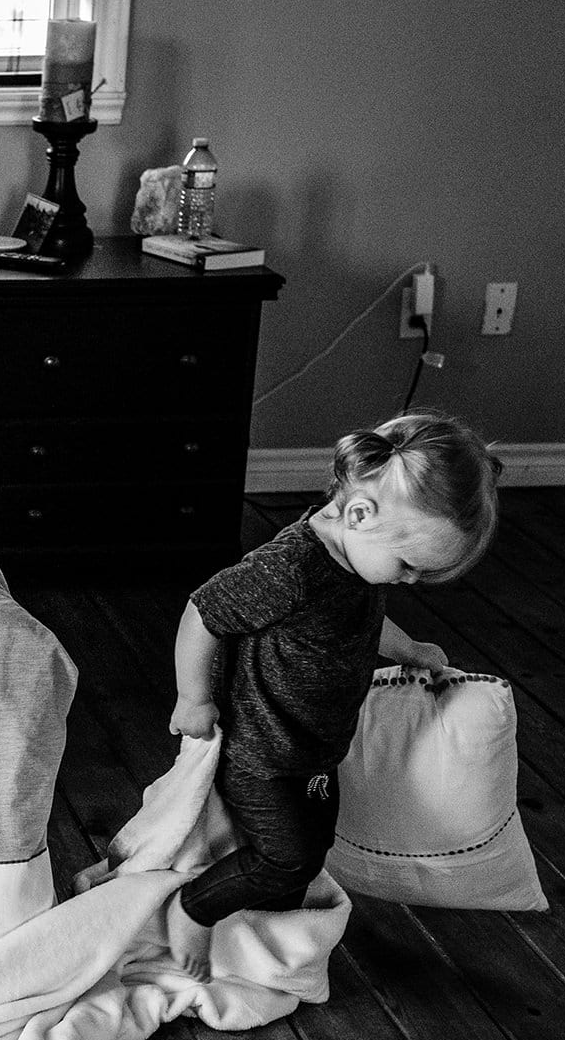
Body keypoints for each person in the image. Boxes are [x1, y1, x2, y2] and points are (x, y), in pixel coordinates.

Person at [166, 411, 501, 963]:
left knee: (314, 844)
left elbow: (364, 618)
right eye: (409, 565)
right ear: (362, 513)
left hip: (315, 746)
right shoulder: (293, 567)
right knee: (287, 856)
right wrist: (193, 698)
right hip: (264, 751)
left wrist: (409, 649)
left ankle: (268, 938)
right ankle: (194, 909)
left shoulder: (359, 557)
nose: (410, 580)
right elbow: (203, 612)